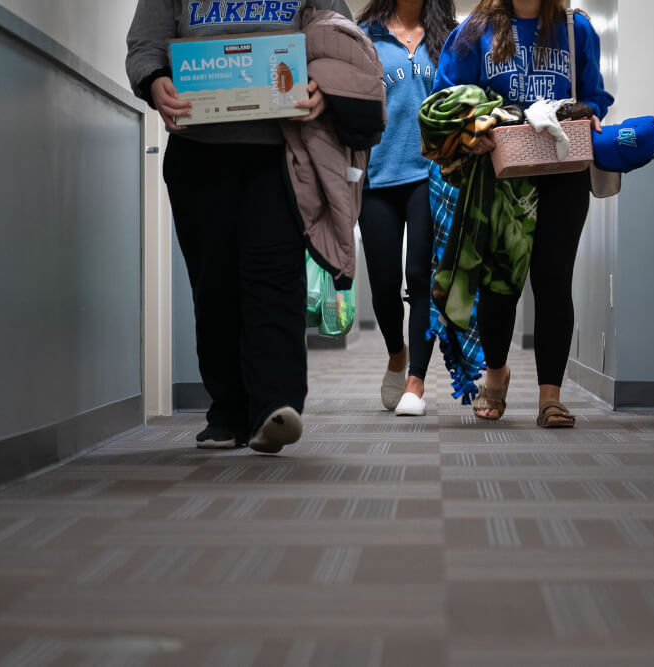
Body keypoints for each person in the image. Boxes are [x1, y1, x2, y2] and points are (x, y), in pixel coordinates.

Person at [126, 0, 352, 453]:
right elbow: (144, 46)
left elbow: (339, 40)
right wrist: (155, 83)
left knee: (273, 276)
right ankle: (227, 411)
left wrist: (324, 87)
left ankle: (275, 404)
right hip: (200, 151)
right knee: (215, 283)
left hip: (280, 150)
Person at [431, 0, 613, 427]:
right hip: (502, 174)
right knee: (499, 284)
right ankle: (497, 376)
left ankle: (551, 396)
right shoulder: (476, 30)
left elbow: (595, 95)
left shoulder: (575, 28)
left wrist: (590, 115)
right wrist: (471, 131)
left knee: (553, 278)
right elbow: (446, 94)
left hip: (563, 170)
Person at [356, 0, 457, 417]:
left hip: (428, 173)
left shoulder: (449, 35)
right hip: (377, 175)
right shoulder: (366, 36)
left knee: (421, 276)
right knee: (383, 285)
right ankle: (396, 353)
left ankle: (416, 380)